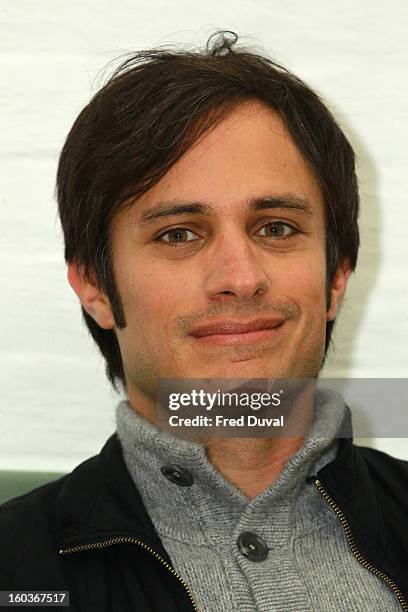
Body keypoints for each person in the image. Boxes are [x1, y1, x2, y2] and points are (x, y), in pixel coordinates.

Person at [1, 30, 407, 611]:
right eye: (179, 234)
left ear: (336, 278)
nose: (241, 277)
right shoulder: (15, 571)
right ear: (94, 286)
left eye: (275, 227)